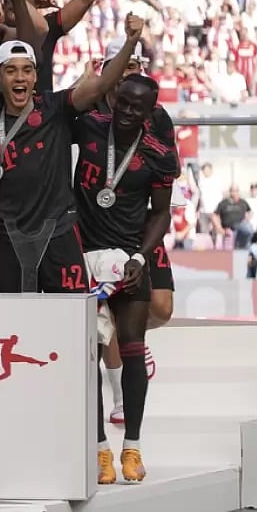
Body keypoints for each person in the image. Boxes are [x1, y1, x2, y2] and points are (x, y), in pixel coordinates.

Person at [0, 15, 144, 293]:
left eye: (26, 70)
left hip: (59, 233)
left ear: (34, 76)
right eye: (10, 70)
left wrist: (130, 41)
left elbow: (101, 86)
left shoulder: (55, 108)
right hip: (8, 236)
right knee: (10, 326)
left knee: (71, 320)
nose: (20, 77)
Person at [73, 74, 177, 484]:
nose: (129, 112)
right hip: (81, 257)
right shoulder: (88, 127)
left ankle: (131, 447)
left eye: (139, 107)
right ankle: (99, 451)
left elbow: (161, 212)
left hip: (129, 260)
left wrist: (140, 255)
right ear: (114, 99)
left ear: (151, 110)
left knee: (133, 349)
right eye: (124, 103)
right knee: (87, 358)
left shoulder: (158, 153)